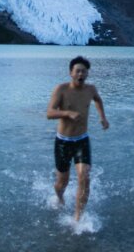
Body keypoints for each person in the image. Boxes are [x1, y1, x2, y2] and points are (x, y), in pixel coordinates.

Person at [46, 56, 109, 221]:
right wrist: (67, 113)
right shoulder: (61, 89)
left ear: (87, 73)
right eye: (77, 71)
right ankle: (59, 197)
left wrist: (103, 117)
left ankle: (77, 218)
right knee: (62, 183)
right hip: (63, 142)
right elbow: (49, 113)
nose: (81, 73)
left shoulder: (91, 89)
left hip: (82, 140)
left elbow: (98, 100)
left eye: (84, 71)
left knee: (84, 176)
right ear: (71, 73)